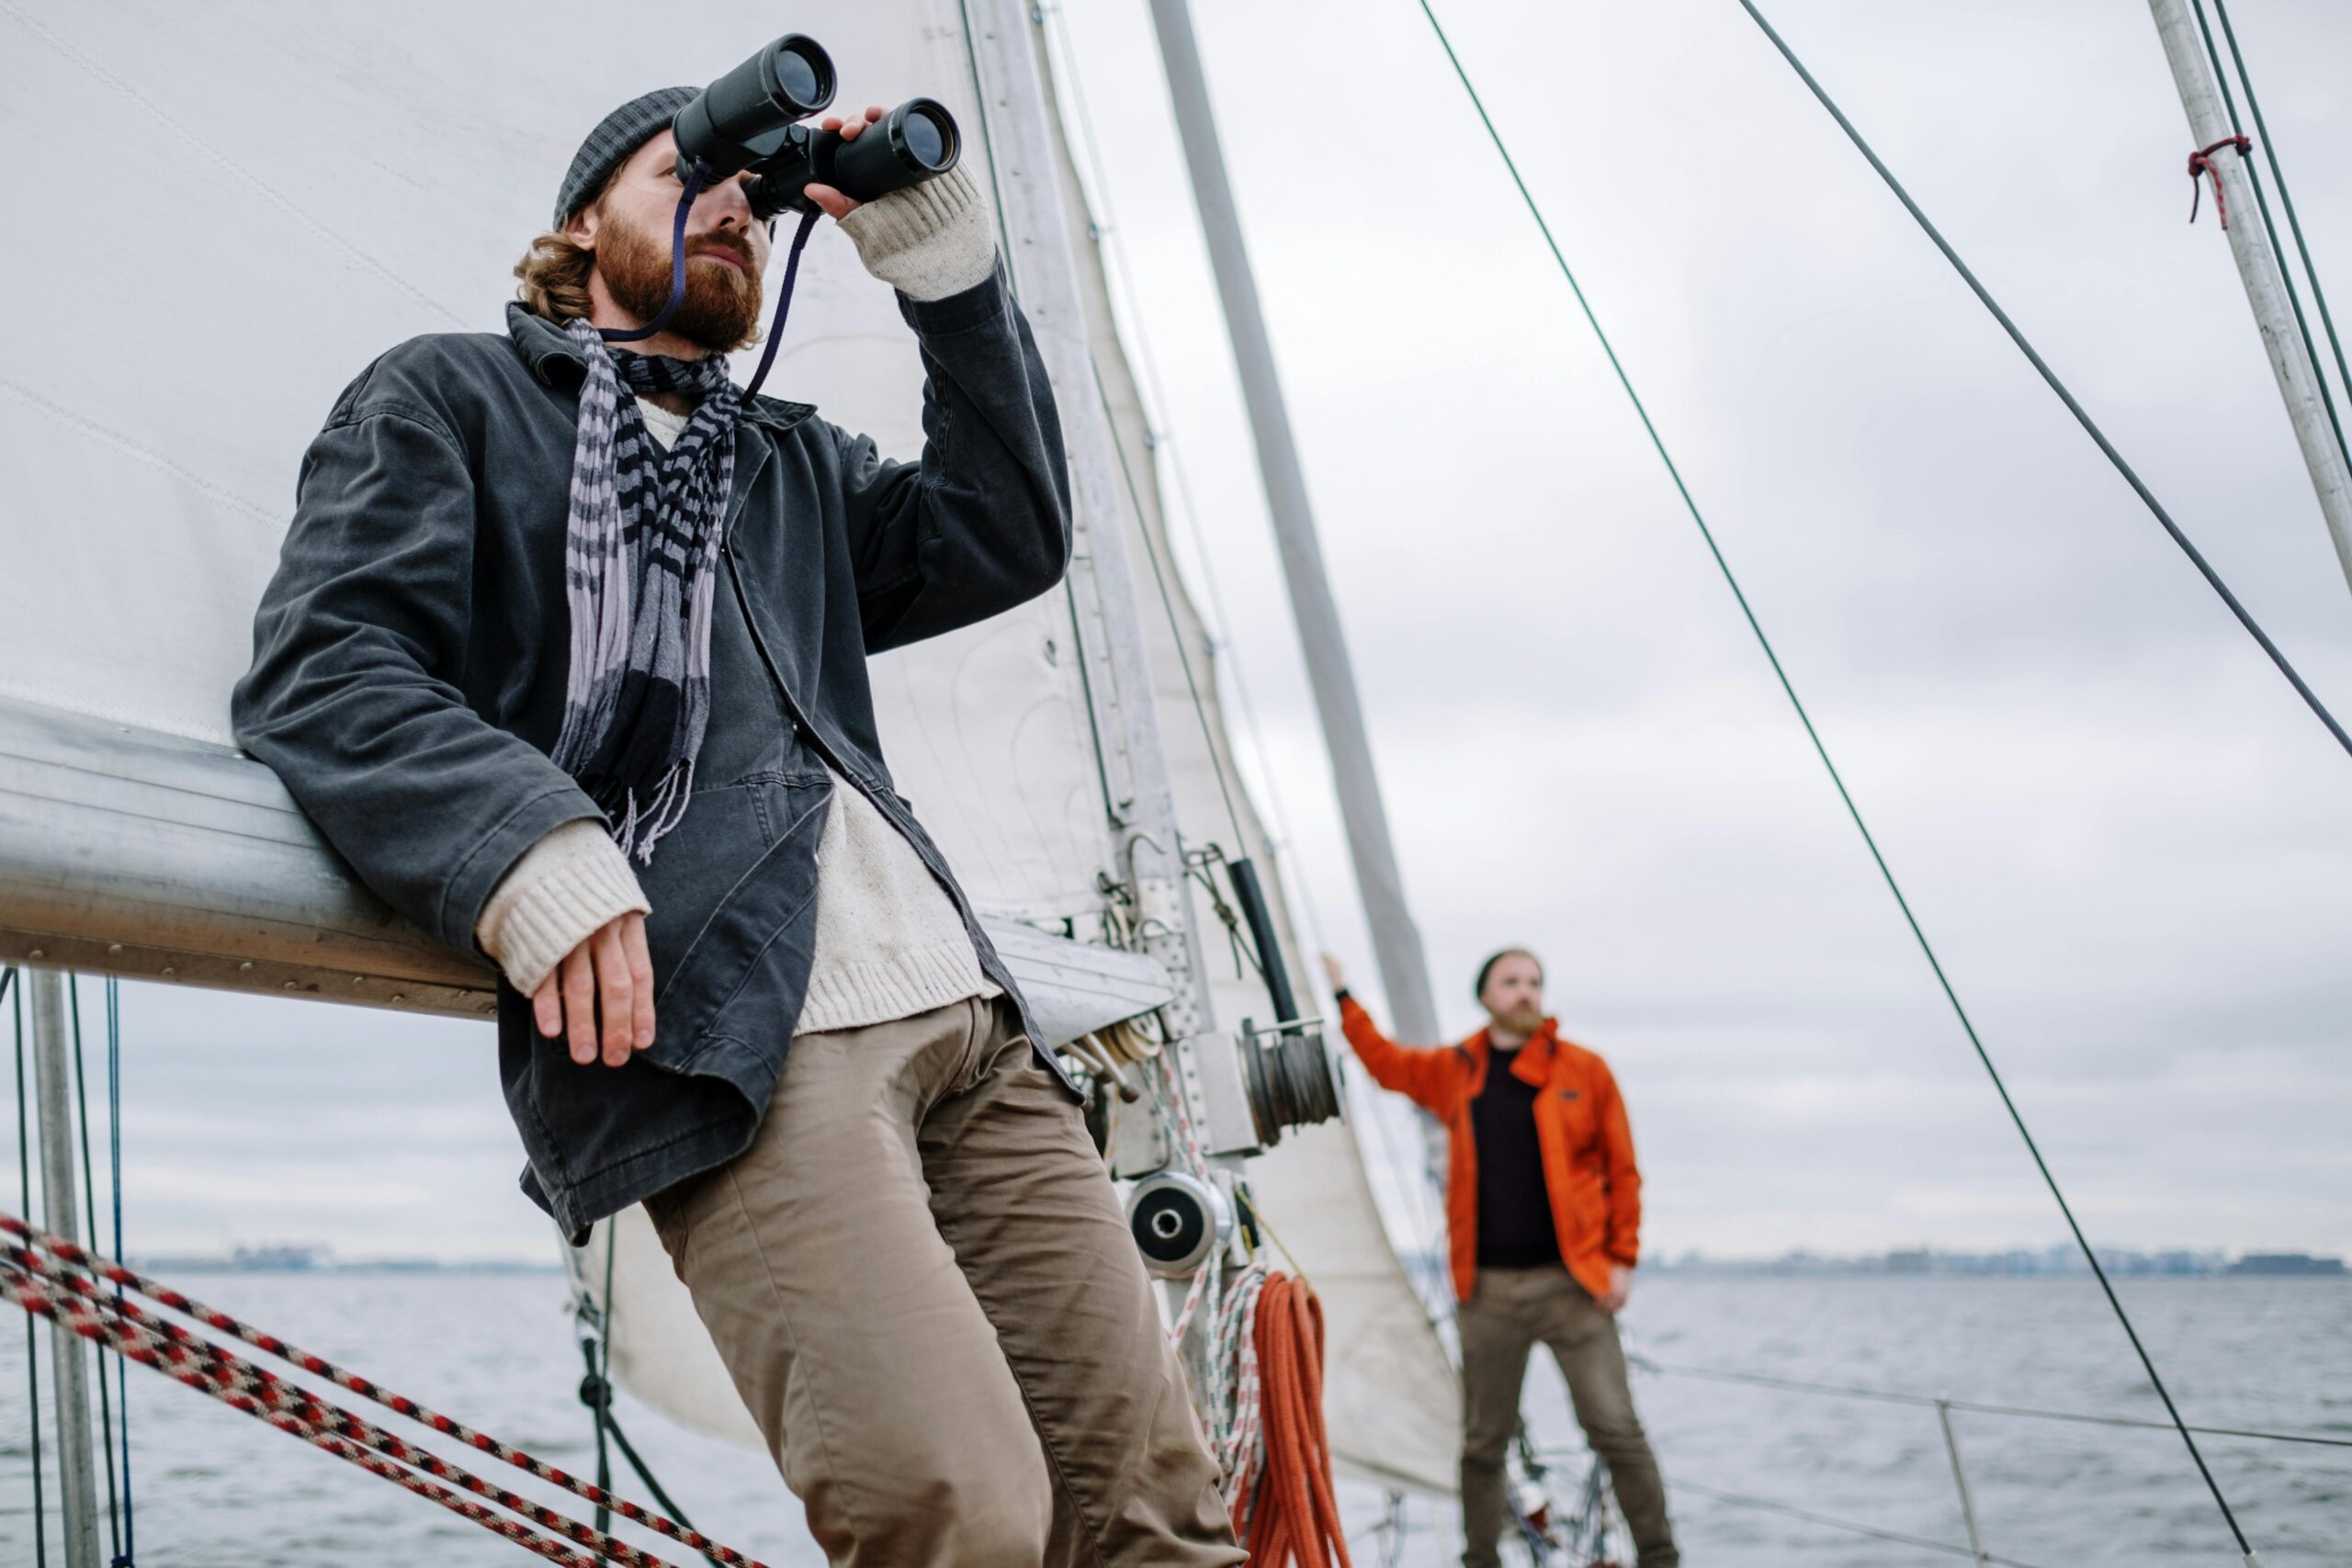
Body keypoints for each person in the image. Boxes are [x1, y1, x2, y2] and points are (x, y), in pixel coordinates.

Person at [233, 83, 1241, 1568]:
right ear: (579, 226)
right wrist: (527, 837)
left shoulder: (785, 464)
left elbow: (1004, 532)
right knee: (962, 1516)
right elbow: (327, 665)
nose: (728, 205)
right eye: (683, 171)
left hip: (968, 1015)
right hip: (738, 1040)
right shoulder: (449, 400)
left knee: (1157, 1510)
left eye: (751, 197)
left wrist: (946, 276)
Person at [1323, 948, 1677, 1568]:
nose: (1526, 992)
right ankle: (1480, 1560)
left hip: (1575, 1288)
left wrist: (1622, 1260)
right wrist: (1344, 998)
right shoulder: (1457, 1068)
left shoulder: (1586, 1069)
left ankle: (1661, 1558)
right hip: (1486, 1293)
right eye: (1511, 982)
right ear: (1485, 996)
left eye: (1534, 982)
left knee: (1616, 1429)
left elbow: (1625, 1171)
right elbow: (1387, 1065)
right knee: (1483, 1445)